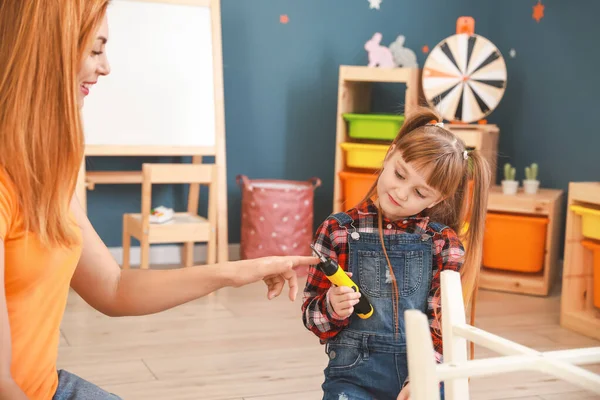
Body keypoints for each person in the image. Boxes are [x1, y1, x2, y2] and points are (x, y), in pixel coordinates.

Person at [0, 1, 318, 399]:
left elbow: (113, 288)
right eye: (95, 49)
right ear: (47, 48)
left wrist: (236, 272)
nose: (106, 67)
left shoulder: (44, 172)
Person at [302, 107, 491, 400]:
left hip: (422, 376)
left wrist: (428, 375)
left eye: (420, 193)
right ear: (390, 154)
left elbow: (443, 327)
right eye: (400, 174)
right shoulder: (336, 230)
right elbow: (313, 319)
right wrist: (330, 306)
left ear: (438, 198)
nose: (401, 193)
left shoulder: (443, 243)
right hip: (352, 378)